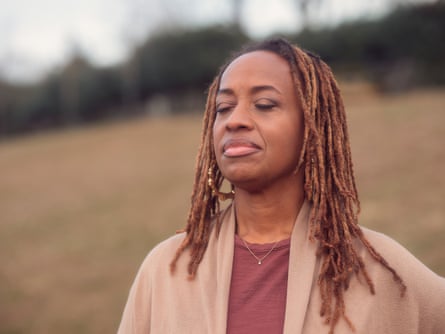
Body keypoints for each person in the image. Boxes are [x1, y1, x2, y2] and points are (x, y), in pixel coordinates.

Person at [117, 38, 445, 334]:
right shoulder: (165, 270)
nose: (234, 120)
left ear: (312, 128)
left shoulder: (378, 270)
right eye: (223, 108)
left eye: (264, 104)